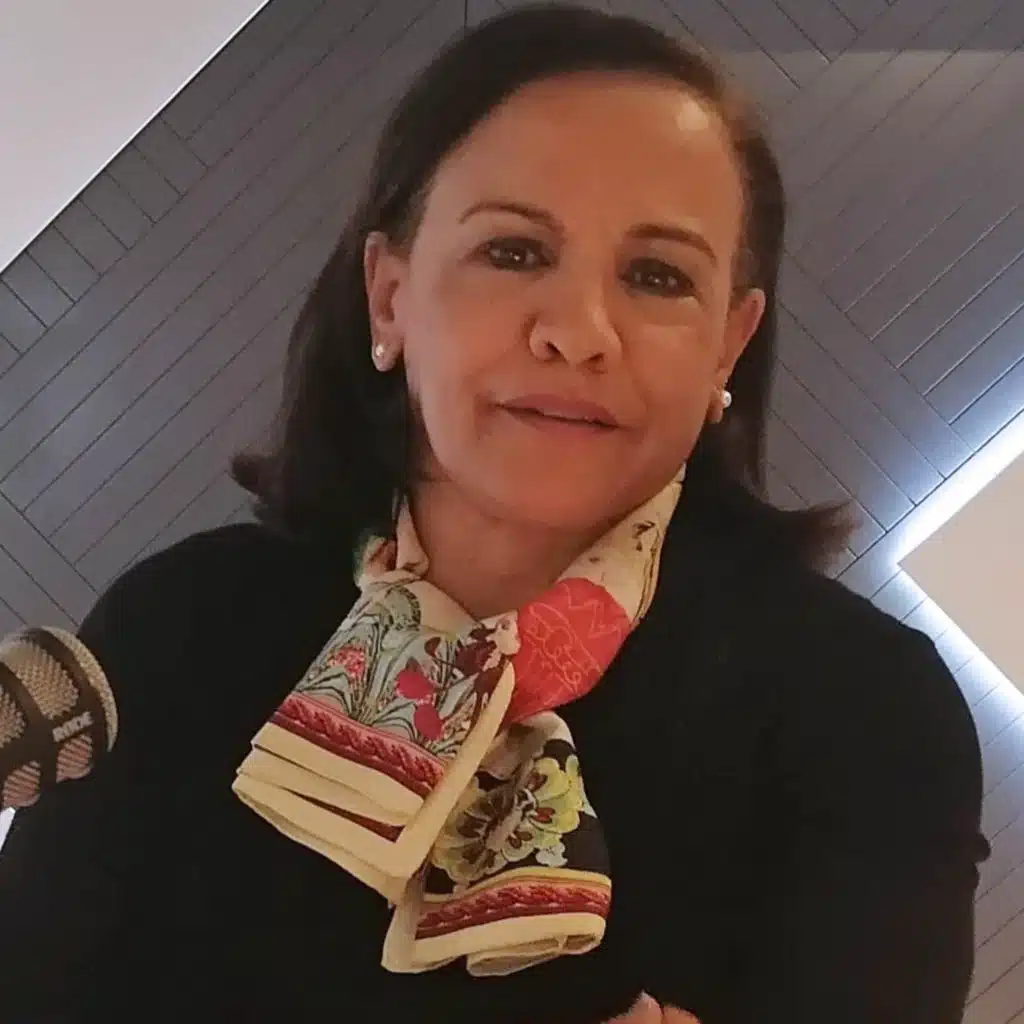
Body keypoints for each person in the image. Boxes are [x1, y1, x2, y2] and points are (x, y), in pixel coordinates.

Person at [0, 5, 987, 1023]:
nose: (578, 331)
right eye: (513, 251)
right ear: (389, 297)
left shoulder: (863, 711)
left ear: (727, 348)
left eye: (656, 277)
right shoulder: (182, 626)